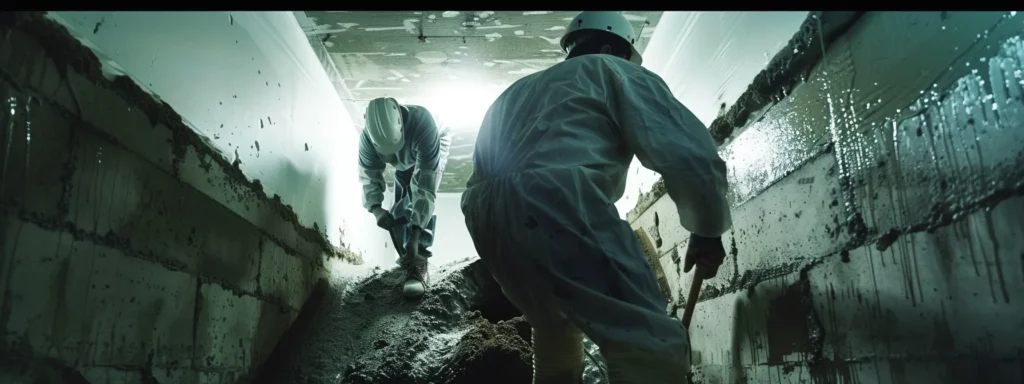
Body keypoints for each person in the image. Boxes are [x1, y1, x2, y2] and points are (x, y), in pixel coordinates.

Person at [460, 11, 731, 384]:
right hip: (554, 202)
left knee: (553, 328)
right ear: (609, 47)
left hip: (486, 218)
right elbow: (689, 154)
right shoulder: (611, 70)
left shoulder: (515, 92)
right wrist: (707, 228)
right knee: (649, 342)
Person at [359, 97, 451, 298]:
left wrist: (416, 233)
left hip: (436, 140)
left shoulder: (424, 125)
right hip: (405, 159)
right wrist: (376, 209)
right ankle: (407, 257)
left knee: (415, 198)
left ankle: (419, 260)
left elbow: (425, 189)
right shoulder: (368, 137)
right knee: (399, 205)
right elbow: (368, 173)